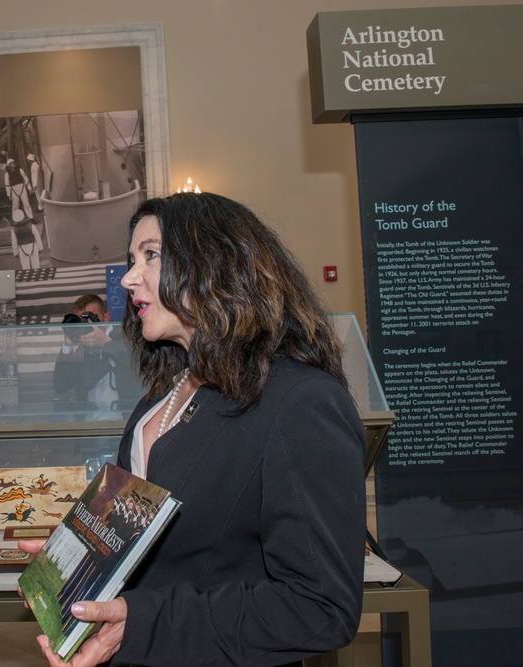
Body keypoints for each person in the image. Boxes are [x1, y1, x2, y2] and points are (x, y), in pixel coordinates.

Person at [22, 192, 367, 666]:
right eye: (131, 259)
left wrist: (140, 624)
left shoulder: (301, 402)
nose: (127, 277)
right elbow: (147, 545)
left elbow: (320, 607)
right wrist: (75, 564)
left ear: (214, 264)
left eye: (151, 255)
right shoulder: (164, 392)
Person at [52, 294, 137, 420]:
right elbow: (60, 385)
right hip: (90, 425)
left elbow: (136, 366)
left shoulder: (126, 337)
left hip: (121, 422)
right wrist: (67, 345)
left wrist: (105, 342)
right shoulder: (81, 349)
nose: (86, 324)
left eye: (90, 317)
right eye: (81, 320)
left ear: (107, 317)